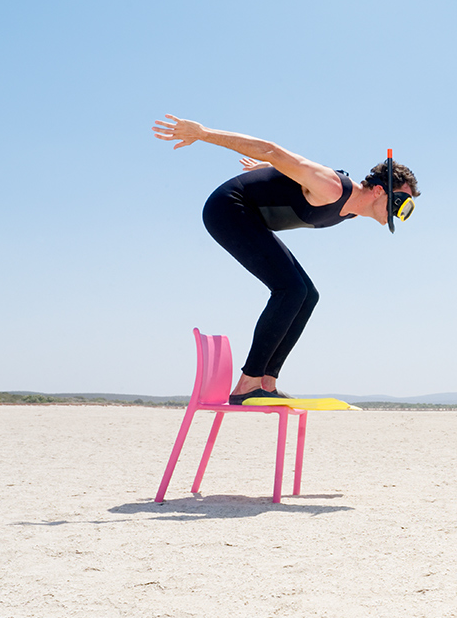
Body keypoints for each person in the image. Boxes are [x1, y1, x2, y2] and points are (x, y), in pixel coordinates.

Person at [152, 114, 419, 403]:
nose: (400, 213)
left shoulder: (352, 209)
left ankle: (266, 382)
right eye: (400, 203)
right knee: (291, 290)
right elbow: (272, 150)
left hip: (251, 216)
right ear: (379, 191)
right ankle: (247, 384)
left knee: (308, 295)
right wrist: (203, 133)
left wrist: (269, 171)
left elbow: (287, 168)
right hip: (228, 209)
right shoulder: (332, 187)